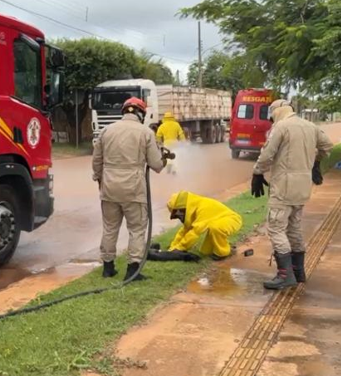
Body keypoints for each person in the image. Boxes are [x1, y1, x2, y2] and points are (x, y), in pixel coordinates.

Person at [251, 99, 334, 290]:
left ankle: (285, 275)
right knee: (294, 228)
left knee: (275, 228)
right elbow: (327, 145)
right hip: (303, 187)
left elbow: (267, 154)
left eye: (271, 116)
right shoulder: (310, 126)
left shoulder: (281, 127)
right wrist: (315, 162)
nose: (271, 120)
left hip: (284, 187)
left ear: (276, 112)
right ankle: (298, 272)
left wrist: (257, 172)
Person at [93, 97, 166, 281]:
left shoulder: (106, 130)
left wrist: (99, 179)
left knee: (110, 228)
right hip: (133, 188)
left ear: (123, 111)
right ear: (141, 114)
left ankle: (108, 268)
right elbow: (156, 165)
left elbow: (96, 162)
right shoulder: (145, 132)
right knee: (136, 229)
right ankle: (133, 270)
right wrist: (163, 158)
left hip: (109, 187)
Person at [165, 191, 243, 260]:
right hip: (217, 221)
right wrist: (173, 246)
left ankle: (223, 252)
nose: (178, 216)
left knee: (215, 228)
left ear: (182, 207)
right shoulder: (193, 209)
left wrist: (180, 247)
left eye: (177, 213)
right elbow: (185, 230)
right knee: (205, 251)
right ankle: (217, 249)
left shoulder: (202, 208)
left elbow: (195, 231)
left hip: (232, 219)